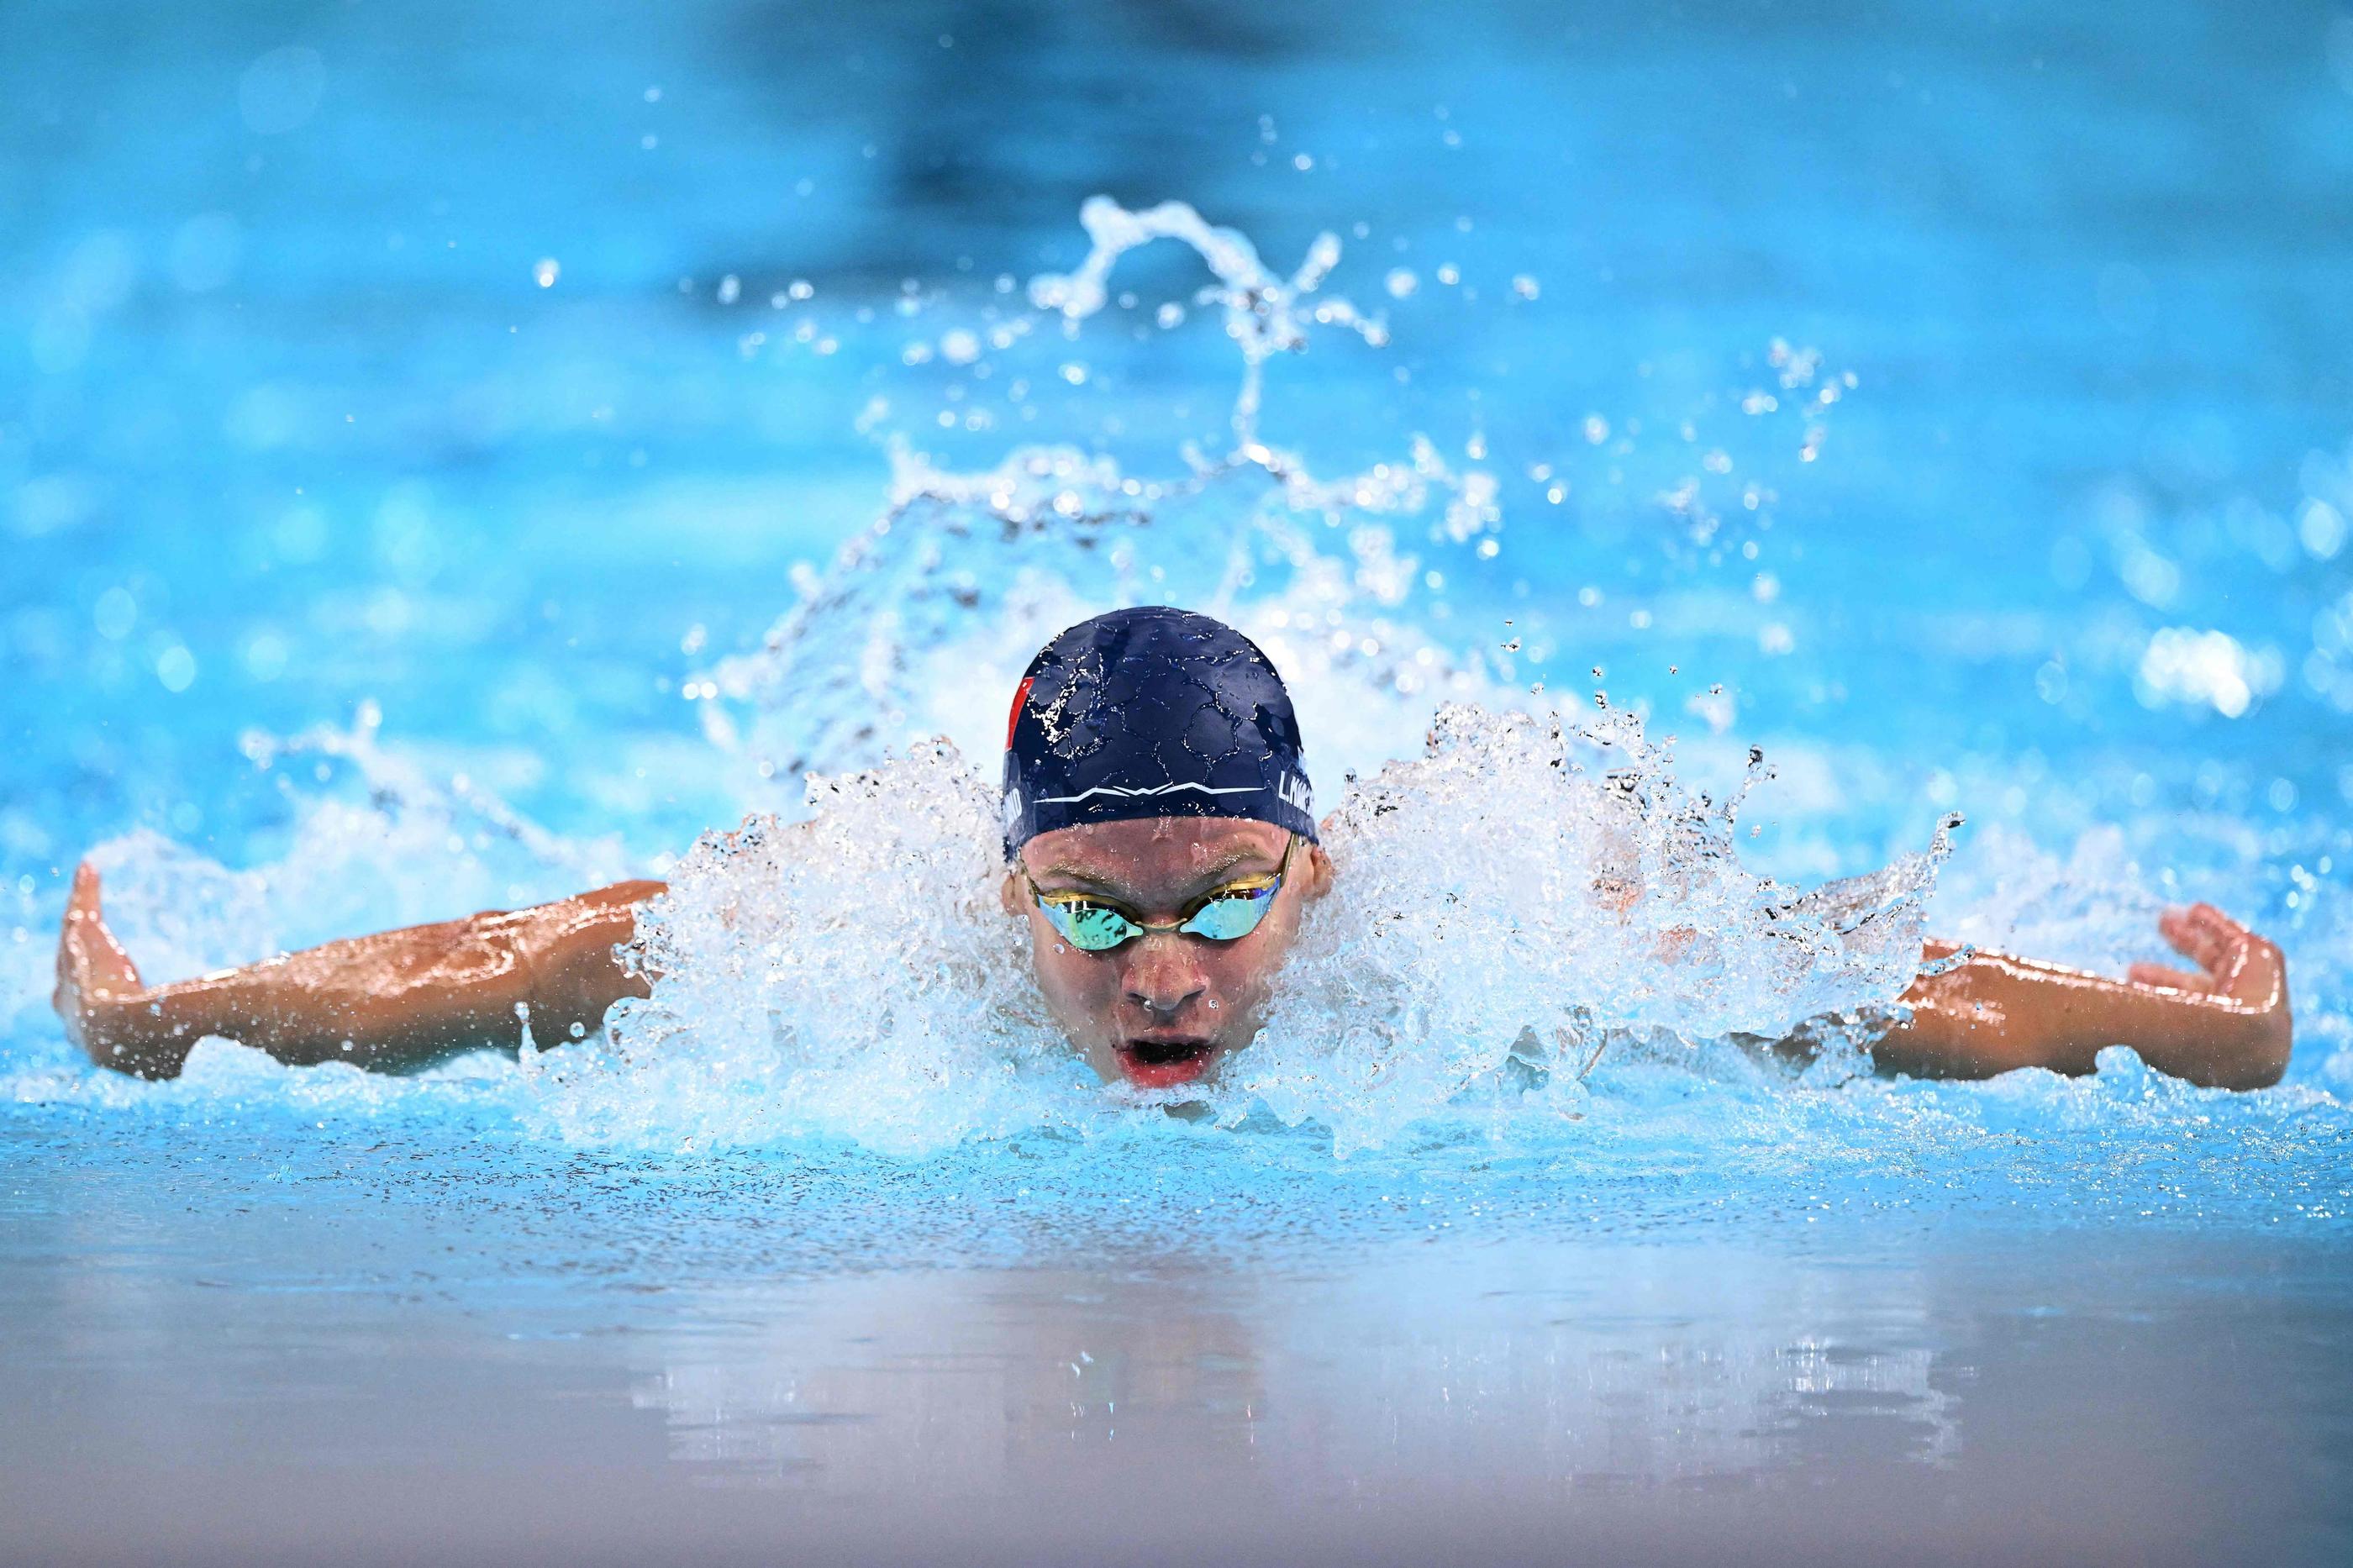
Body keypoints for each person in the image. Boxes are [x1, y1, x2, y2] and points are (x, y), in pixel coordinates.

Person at [51, 608, 2293, 1092]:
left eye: (1228, 898)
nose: (1163, 974)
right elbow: (494, 960)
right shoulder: (866, 934)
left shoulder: (1473, 932)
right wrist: (170, 1019)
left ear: (1311, 871)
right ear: (1000, 885)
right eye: (1090, 913)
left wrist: (2212, 1021)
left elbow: (1875, 987)